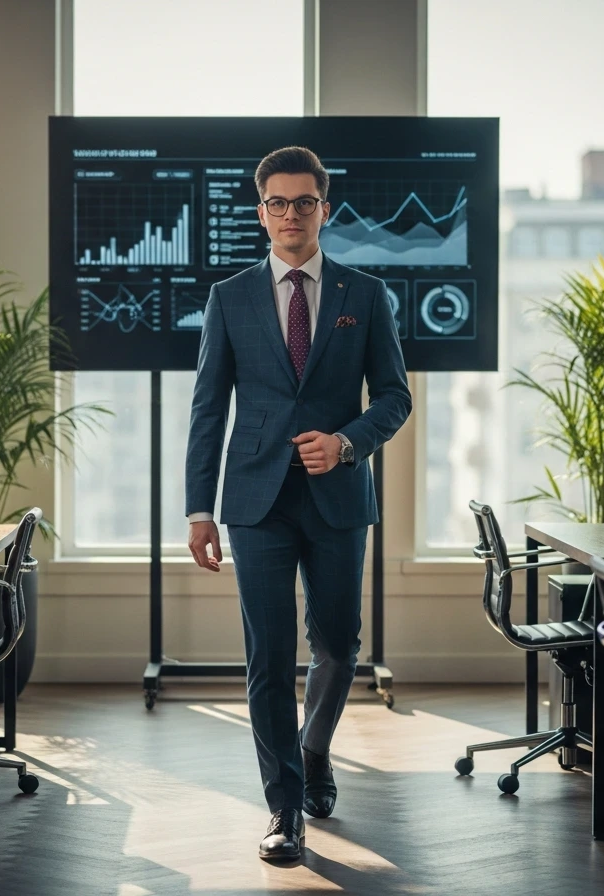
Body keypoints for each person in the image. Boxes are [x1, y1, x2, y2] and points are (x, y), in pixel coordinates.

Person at [184, 145, 412, 861]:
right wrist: (199, 510)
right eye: (277, 203)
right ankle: (284, 809)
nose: (290, 214)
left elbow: (396, 397)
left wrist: (347, 443)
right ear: (261, 213)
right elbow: (206, 408)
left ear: (324, 209)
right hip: (255, 500)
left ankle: (314, 749)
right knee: (268, 657)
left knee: (339, 644)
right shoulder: (230, 296)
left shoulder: (365, 295)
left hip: (339, 495)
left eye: (303, 202)